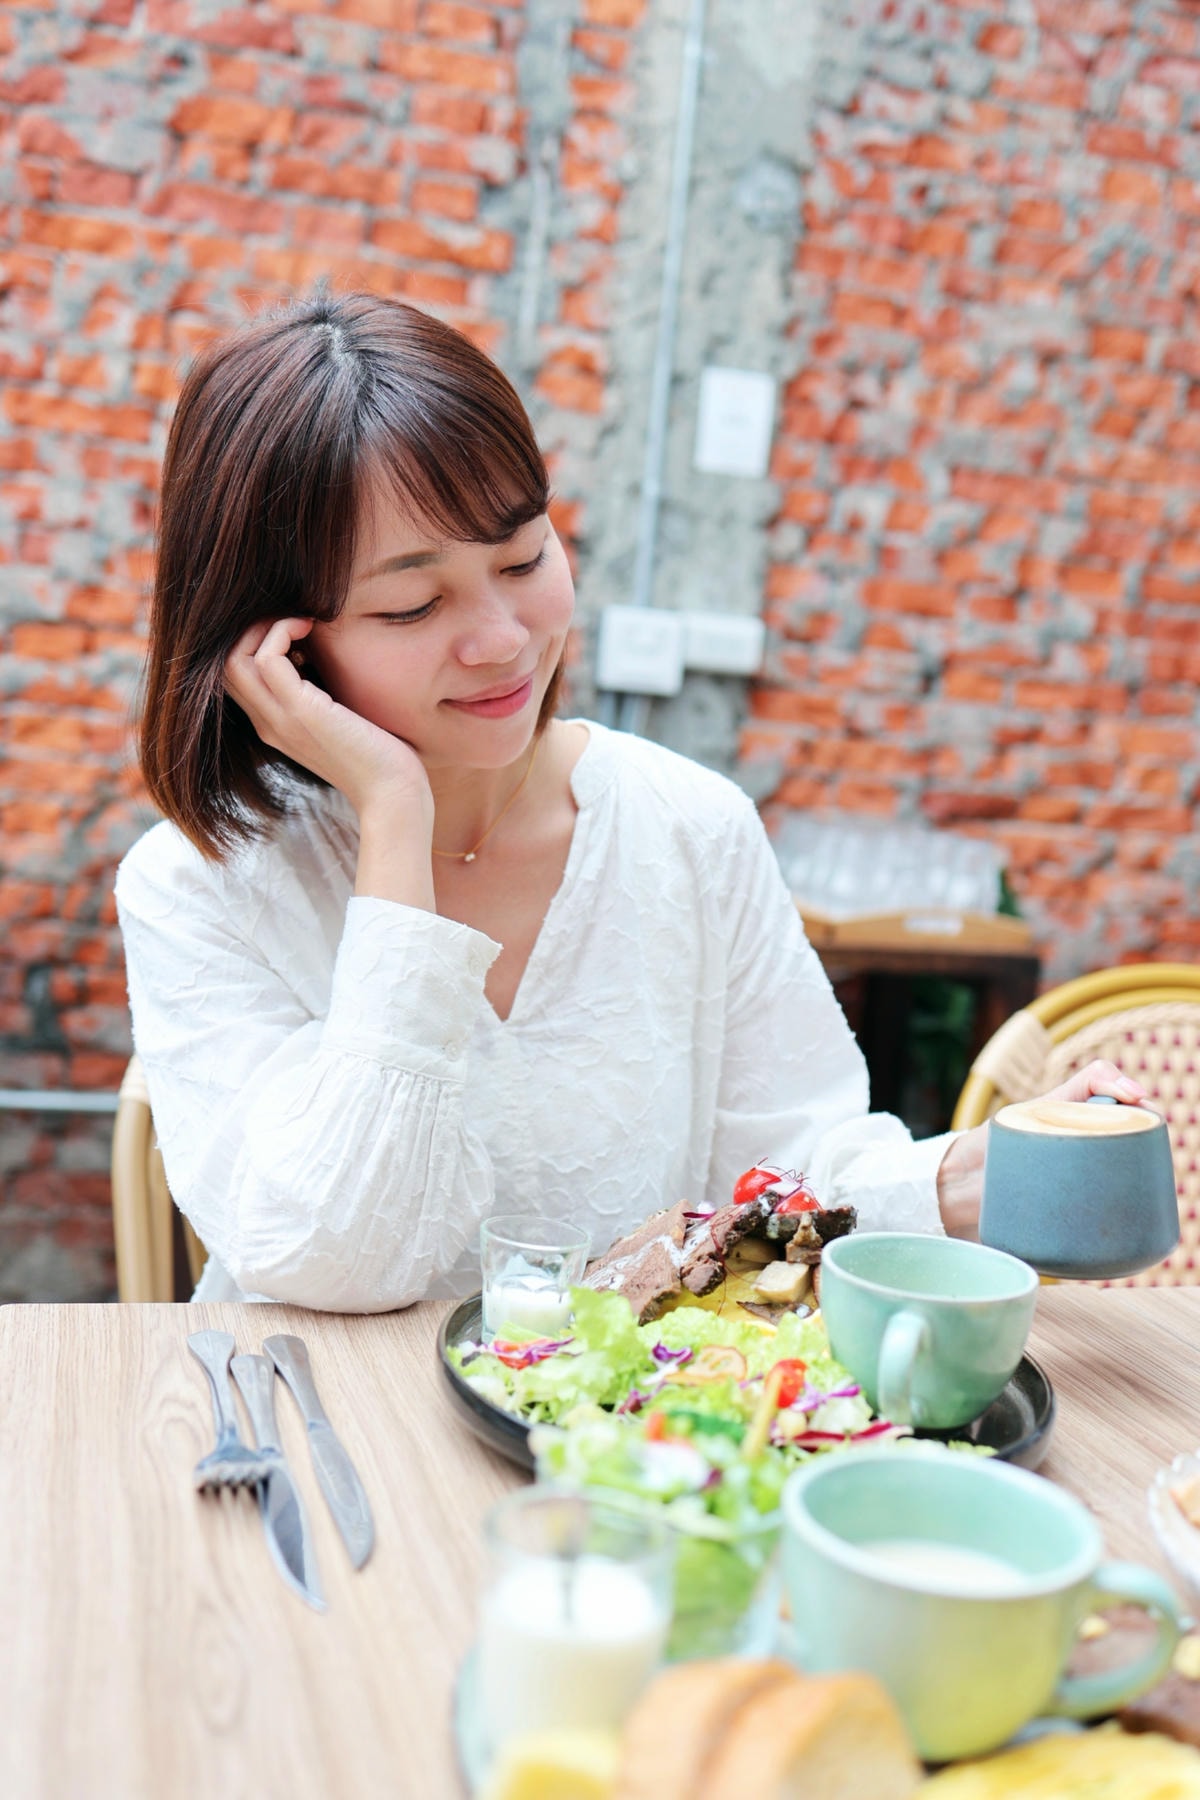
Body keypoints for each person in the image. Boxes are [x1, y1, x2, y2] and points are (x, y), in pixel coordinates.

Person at [115, 291, 1141, 1310]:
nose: (504, 638)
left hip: (624, 1461)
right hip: (322, 1450)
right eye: (413, 603)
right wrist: (394, 818)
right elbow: (335, 1261)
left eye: (524, 558)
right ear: (278, 643)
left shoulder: (688, 828)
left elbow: (784, 1170)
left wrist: (965, 1180)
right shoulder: (198, 887)